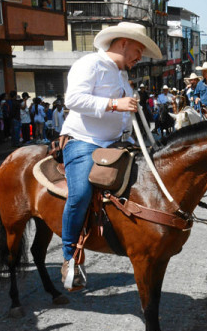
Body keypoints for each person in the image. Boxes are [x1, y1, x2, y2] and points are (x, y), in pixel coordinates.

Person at [59, 22, 162, 290]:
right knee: (80, 193)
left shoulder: (122, 76)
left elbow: (123, 117)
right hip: (85, 141)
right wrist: (114, 104)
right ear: (123, 42)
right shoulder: (90, 63)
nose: (140, 57)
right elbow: (73, 99)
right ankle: (70, 256)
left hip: (118, 143)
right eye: (139, 50)